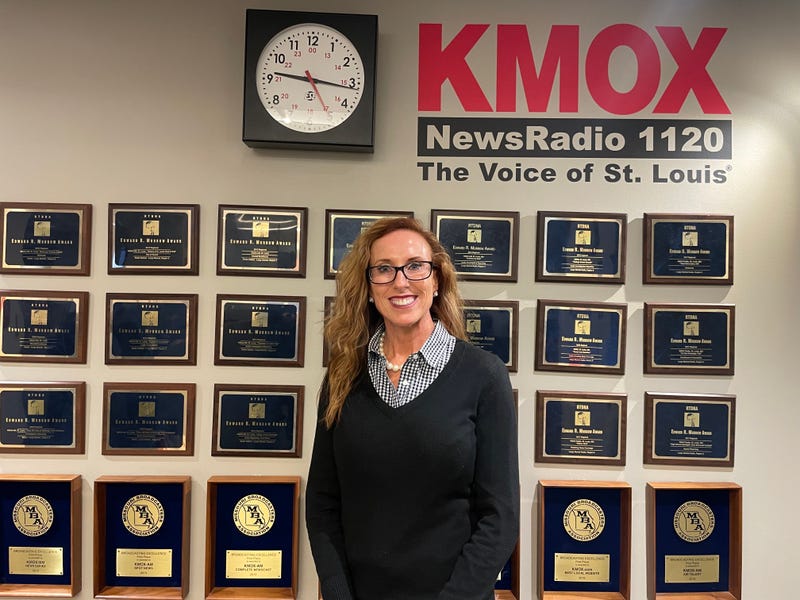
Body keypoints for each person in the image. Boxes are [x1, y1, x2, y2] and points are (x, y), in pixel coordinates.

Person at [306, 217, 519, 600]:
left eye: (415, 266)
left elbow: (499, 517)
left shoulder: (484, 375)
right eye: (384, 269)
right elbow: (322, 503)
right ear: (369, 287)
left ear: (436, 280)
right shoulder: (343, 375)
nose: (401, 281)